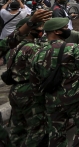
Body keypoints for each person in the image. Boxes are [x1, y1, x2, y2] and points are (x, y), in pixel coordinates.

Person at [30, 17, 79, 146]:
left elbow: (35, 81)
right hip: (76, 98)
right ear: (57, 32)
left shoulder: (37, 53)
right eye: (65, 28)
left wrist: (41, 101)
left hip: (52, 101)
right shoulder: (73, 48)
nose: (68, 30)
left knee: (56, 133)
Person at [7, 11, 51, 146]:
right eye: (38, 29)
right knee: (37, 128)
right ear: (29, 30)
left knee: (17, 127)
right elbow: (42, 71)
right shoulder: (33, 48)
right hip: (29, 91)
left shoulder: (13, 47)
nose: (41, 32)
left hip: (15, 89)